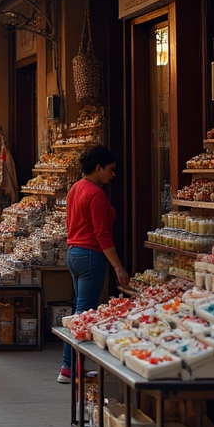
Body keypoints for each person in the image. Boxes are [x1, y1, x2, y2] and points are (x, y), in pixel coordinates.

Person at [59, 145, 128, 384]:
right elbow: (102, 235)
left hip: (75, 254)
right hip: (90, 255)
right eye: (110, 169)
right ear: (98, 168)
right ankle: (68, 366)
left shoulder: (76, 189)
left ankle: (74, 366)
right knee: (83, 314)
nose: (113, 174)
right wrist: (118, 266)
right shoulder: (96, 194)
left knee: (80, 309)